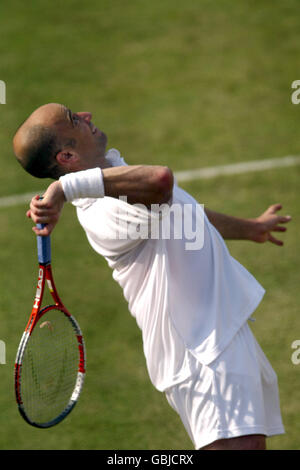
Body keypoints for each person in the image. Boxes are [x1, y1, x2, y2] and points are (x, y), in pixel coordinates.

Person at [13, 103, 291, 450]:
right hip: (201, 356)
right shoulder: (104, 212)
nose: (86, 115)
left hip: (219, 336)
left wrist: (251, 229)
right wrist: (65, 190)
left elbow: (183, 214)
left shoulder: (115, 176)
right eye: (73, 119)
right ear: (68, 156)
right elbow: (160, 182)